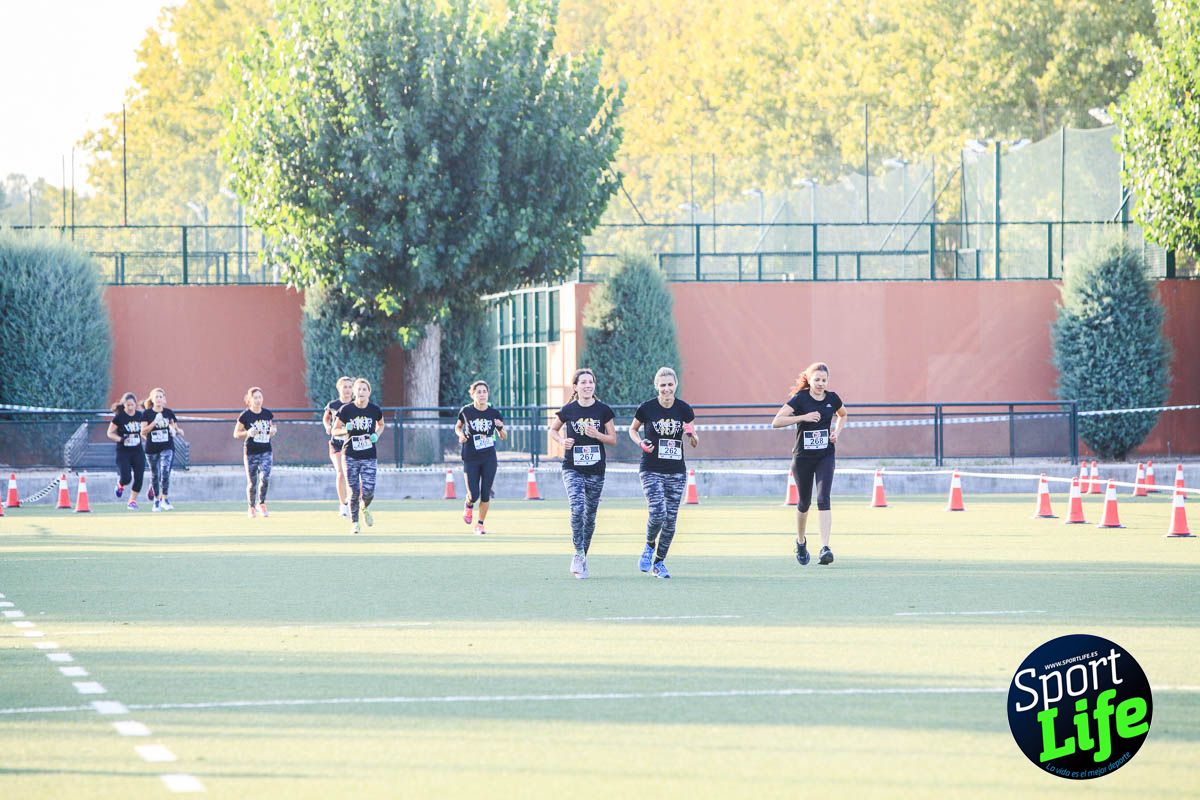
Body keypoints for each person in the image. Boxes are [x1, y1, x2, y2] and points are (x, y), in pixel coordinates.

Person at [771, 361, 847, 567]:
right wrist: (803, 417)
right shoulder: (800, 399)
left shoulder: (832, 399)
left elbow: (843, 415)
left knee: (824, 498)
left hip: (825, 456)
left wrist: (836, 433)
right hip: (803, 458)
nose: (820, 384)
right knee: (804, 503)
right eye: (817, 380)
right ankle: (801, 541)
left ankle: (825, 547)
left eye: (824, 380)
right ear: (809, 379)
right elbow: (776, 422)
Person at [628, 367, 699, 579]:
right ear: (656, 386)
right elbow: (632, 430)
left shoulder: (684, 409)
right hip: (651, 468)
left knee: (670, 520)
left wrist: (691, 435)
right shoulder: (646, 408)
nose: (666, 389)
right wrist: (641, 442)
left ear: (675, 385)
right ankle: (649, 546)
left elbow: (695, 441)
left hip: (676, 471)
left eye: (669, 385)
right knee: (658, 511)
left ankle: (659, 563)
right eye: (662, 385)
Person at [550, 368, 616, 579]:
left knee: (590, 515)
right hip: (572, 467)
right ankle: (578, 554)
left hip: (596, 469)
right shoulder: (568, 410)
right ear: (576, 387)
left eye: (591, 382)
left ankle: (582, 556)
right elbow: (552, 430)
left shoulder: (603, 410)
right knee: (577, 508)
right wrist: (562, 441)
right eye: (583, 382)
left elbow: (613, 439)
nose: (588, 385)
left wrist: (598, 435)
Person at [332, 378, 384, 535]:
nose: (361, 392)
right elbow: (334, 431)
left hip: (369, 455)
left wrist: (376, 434)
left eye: (364, 389)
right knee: (353, 491)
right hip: (350, 455)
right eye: (358, 389)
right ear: (354, 392)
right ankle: (354, 523)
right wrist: (345, 430)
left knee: (368, 491)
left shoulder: (374, 410)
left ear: (369, 392)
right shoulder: (346, 410)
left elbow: (381, 424)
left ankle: (365, 506)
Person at [454, 380, 506, 535]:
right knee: (474, 494)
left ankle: (480, 524)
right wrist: (460, 435)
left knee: (485, 493)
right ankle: (468, 503)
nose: (482, 394)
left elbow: (503, 436)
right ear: (473, 394)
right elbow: (458, 426)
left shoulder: (494, 413)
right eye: (479, 392)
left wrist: (500, 427)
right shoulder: (466, 411)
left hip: (489, 457)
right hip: (470, 457)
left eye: (484, 391)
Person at [234, 387, 276, 518]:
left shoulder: (267, 414)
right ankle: (251, 507)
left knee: (265, 478)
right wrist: (248, 432)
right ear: (250, 400)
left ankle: (261, 503)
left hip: (266, 450)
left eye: (260, 397)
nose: (258, 400)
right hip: (251, 451)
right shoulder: (245, 415)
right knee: (252, 482)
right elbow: (236, 433)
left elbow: (270, 429)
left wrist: (273, 431)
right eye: (255, 397)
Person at [140, 387, 182, 511]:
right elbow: (143, 431)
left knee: (165, 473)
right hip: (152, 448)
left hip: (167, 446)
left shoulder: (169, 412)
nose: (159, 399)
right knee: (155, 475)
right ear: (152, 399)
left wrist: (176, 431)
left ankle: (165, 499)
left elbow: (175, 428)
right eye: (156, 397)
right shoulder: (146, 414)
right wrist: (154, 422)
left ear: (164, 399)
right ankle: (156, 501)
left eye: (161, 396)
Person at [107, 392, 145, 510]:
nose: (130, 407)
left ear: (135, 405)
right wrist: (121, 439)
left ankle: (132, 501)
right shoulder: (119, 417)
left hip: (137, 450)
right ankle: (120, 485)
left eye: (132, 405)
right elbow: (109, 433)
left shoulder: (140, 416)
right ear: (124, 405)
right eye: (127, 405)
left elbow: (144, 431)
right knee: (126, 478)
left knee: (139, 477)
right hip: (123, 452)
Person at [322, 376, 354, 518]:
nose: (347, 390)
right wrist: (327, 426)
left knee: (353, 475)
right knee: (341, 472)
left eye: (349, 387)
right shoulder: (333, 404)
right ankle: (343, 505)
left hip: (352, 444)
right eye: (344, 387)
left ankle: (352, 500)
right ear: (339, 388)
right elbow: (326, 417)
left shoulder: (356, 405)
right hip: (336, 444)